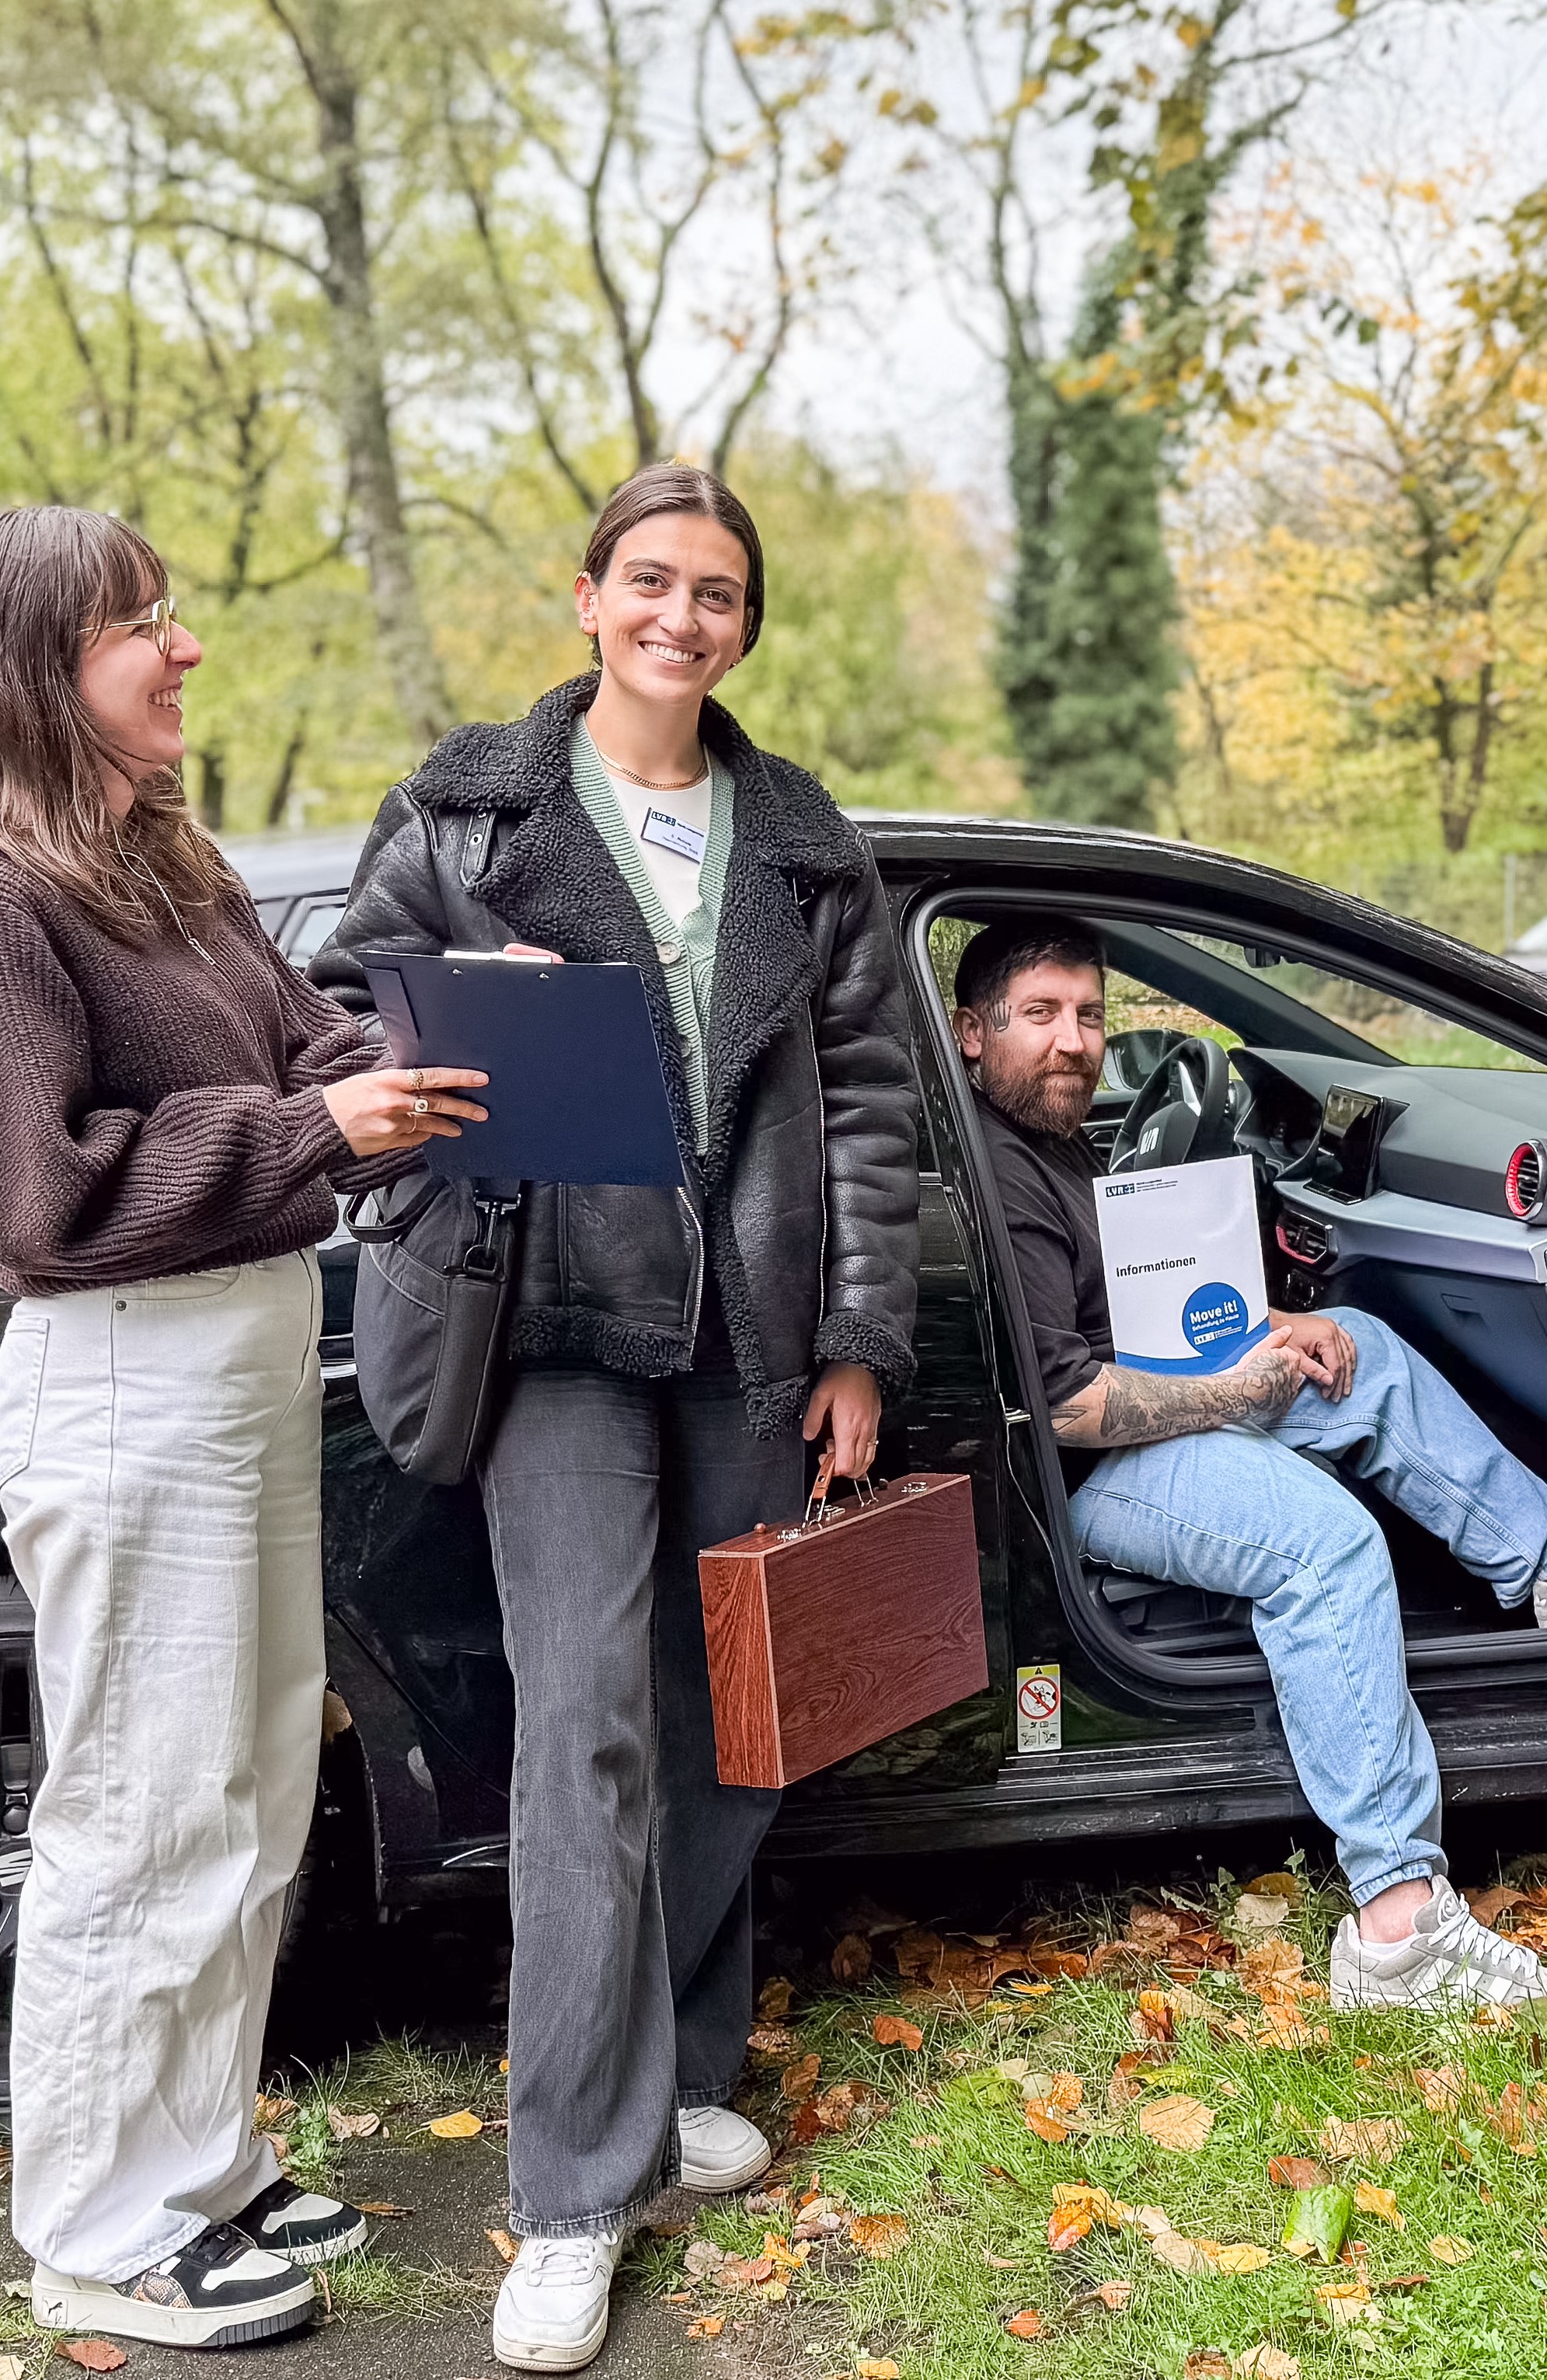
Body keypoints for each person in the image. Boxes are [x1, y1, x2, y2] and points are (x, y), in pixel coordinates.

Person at [315, 464, 919, 2376]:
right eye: (648, 581)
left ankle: (667, 2077)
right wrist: (455, 1016)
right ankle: (572, 2194)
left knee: (733, 1721)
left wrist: (856, 1338)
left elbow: (880, 1105)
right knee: (582, 1735)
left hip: (751, 1339)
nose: (682, 615)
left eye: (717, 591)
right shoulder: (471, 812)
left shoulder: (806, 842)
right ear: (585, 600)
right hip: (558, 1333)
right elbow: (342, 1023)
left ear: (746, 623)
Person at [0, 507, 489, 2348]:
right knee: (134, 1811)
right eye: (143, 624)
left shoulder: (155, 856)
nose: (184, 650)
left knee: (236, 1791)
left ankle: (202, 2163)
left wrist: (412, 1060)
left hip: (229, 1363)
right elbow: (39, 1201)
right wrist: (320, 1138)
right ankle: (90, 2223)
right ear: (34, 669)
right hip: (123, 1374)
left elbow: (294, 1036)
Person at [949, 913, 1547, 2011]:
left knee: (1354, 1352)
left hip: (1138, 1410)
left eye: (1088, 1015)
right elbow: (1070, 1404)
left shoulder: (1054, 1134)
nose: (1073, 1042)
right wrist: (1238, 1389)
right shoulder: (995, 1176)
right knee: (1323, 1547)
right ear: (970, 1034)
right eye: (1039, 1016)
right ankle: (1398, 1931)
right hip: (1083, 1480)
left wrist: (1276, 1326)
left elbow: (1125, 1314)